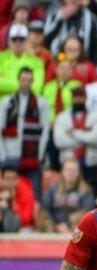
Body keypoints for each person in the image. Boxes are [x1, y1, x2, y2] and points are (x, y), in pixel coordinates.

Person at [0, 66, 50, 196]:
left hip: (31, 156)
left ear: (32, 81)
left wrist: (39, 156)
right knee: (7, 193)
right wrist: (3, 155)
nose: (26, 82)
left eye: (29, 80)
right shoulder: (7, 102)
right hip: (10, 155)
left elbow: (44, 132)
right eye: (23, 79)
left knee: (34, 193)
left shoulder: (41, 103)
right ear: (18, 80)